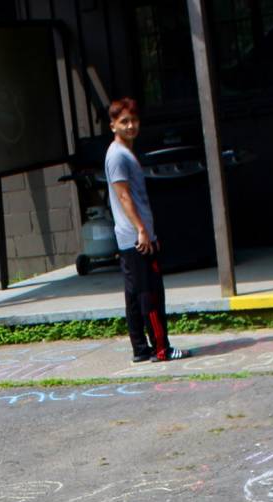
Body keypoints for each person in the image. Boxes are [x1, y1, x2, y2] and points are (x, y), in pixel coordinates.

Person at [105, 97, 188, 362]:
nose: (131, 126)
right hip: (135, 237)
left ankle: (140, 350)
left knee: (134, 295)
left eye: (134, 120)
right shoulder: (118, 155)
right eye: (124, 122)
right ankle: (161, 349)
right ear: (113, 126)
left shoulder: (124, 153)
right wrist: (143, 230)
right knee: (150, 295)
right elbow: (124, 197)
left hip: (133, 236)